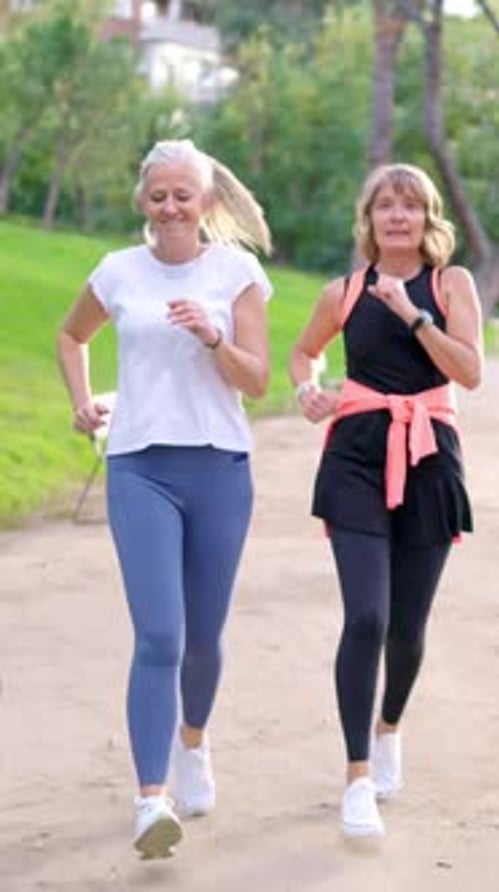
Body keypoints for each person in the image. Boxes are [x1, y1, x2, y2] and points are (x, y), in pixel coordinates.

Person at [57, 139, 273, 859]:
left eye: (185, 194)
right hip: (139, 468)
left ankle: (194, 743)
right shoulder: (118, 271)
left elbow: (256, 381)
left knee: (203, 640)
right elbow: (71, 334)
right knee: (160, 638)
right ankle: (151, 800)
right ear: (143, 202)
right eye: (159, 195)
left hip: (219, 469)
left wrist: (214, 336)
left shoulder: (236, 272)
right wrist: (84, 403)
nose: (171, 206)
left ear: (206, 202)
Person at [289, 162, 483, 840]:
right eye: (384, 206)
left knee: (406, 629)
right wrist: (307, 389)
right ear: (368, 221)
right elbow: (304, 353)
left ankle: (390, 724)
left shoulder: (450, 284)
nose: (396, 216)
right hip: (355, 456)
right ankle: (357, 778)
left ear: (428, 219)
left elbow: (470, 372)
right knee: (366, 617)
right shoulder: (342, 291)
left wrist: (416, 315)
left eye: (409, 205)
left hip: (430, 456)